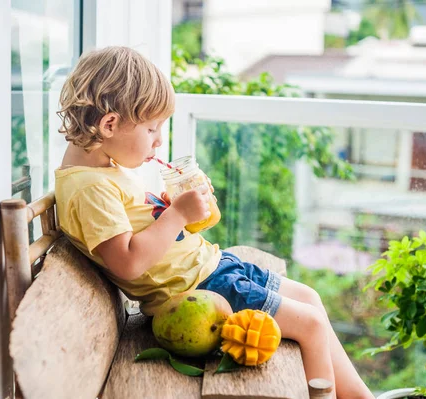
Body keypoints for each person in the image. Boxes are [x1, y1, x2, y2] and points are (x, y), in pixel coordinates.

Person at [54, 46, 374, 399]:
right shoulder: (89, 190)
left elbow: (148, 232)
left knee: (310, 298)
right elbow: (129, 263)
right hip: (197, 293)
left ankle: (360, 396)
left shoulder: (105, 172)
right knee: (310, 325)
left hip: (210, 268)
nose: (159, 140)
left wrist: (178, 211)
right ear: (110, 124)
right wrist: (177, 215)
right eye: (152, 128)